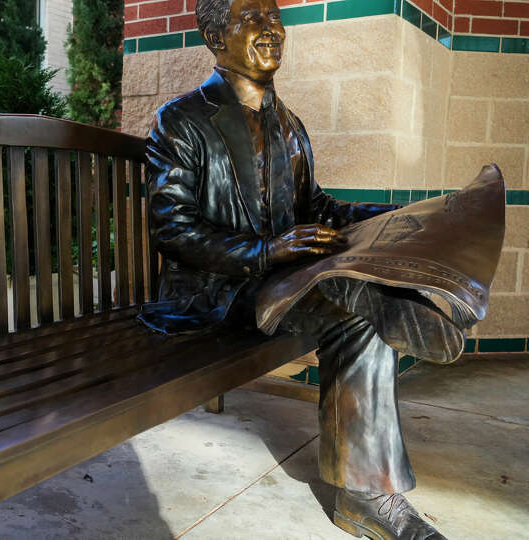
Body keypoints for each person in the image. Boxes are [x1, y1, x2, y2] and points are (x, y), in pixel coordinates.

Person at [138, 0, 465, 537]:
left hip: (276, 284)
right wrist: (267, 252)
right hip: (213, 293)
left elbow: (319, 209)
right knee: (356, 313)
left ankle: (411, 308)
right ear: (215, 36)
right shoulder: (183, 120)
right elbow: (172, 232)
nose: (272, 30)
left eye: (275, 17)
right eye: (253, 18)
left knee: (354, 289)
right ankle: (366, 497)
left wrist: (400, 218)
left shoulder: (290, 125)